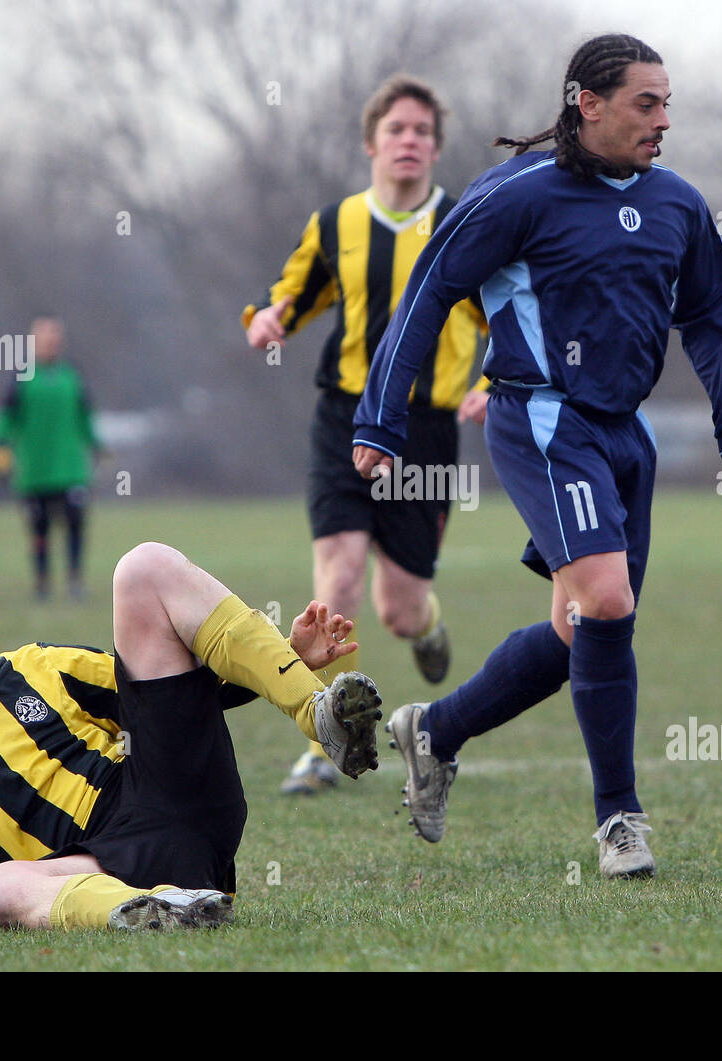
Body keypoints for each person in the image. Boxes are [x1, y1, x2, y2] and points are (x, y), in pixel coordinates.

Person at [352, 34, 722, 878]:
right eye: (644, 104)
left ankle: (434, 730)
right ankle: (620, 820)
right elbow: (430, 288)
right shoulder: (517, 193)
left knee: (581, 628)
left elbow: (711, 317)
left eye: (667, 103)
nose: (661, 120)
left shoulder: (678, 205)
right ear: (588, 103)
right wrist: (381, 420)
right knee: (607, 603)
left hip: (624, 432)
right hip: (539, 419)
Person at [0, 542, 381, 931]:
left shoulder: (35, 666)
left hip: (168, 792)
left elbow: (170, 697)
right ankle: (160, 911)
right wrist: (1, 916)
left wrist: (282, 661)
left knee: (144, 566)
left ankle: (317, 714)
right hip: (97, 867)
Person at [243, 75, 489, 796]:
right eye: (397, 130)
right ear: (371, 144)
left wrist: (493, 379)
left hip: (427, 428)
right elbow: (289, 295)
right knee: (340, 576)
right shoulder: (336, 224)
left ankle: (428, 624)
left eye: (422, 131)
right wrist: (265, 320)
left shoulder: (467, 224)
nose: (409, 141)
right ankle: (325, 735)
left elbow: (503, 314)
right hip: (345, 417)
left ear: (436, 148)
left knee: (398, 607)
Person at [0, 314, 101, 601]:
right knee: (39, 529)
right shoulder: (21, 376)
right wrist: (1, 446)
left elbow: (85, 416)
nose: (52, 341)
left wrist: (96, 445)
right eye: (45, 336)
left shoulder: (71, 374)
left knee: (75, 524)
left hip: (71, 469)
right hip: (34, 471)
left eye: (56, 336)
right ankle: (42, 583)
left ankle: (75, 581)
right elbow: (6, 416)